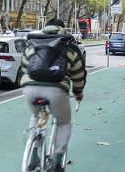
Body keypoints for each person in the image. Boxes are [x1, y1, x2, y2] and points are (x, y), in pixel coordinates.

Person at [21, 18, 87, 172]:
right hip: (56, 91)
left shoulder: (33, 44)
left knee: (36, 117)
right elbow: (78, 74)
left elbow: (25, 69)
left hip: (30, 89)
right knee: (64, 122)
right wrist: (78, 92)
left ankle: (33, 157)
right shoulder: (69, 46)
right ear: (63, 29)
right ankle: (57, 161)